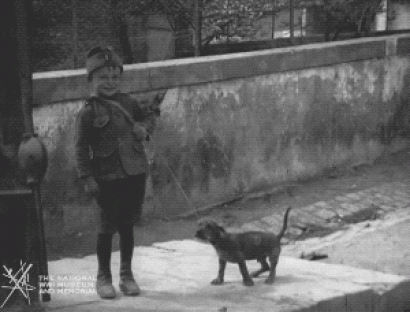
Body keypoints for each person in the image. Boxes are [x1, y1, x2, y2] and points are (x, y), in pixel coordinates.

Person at [75, 46, 162, 299]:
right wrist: (87, 178)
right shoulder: (89, 112)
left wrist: (143, 129)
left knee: (127, 226)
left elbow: (148, 119)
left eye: (115, 77)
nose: (110, 82)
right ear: (91, 80)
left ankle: (127, 275)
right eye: (103, 77)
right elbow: (80, 147)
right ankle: (104, 277)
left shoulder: (128, 102)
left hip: (134, 175)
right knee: (106, 228)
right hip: (106, 179)